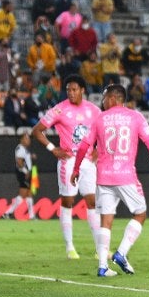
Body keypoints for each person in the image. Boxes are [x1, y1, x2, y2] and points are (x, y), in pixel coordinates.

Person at [71, 84, 149, 277]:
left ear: (114, 98)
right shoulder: (136, 117)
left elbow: (84, 146)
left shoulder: (100, 119)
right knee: (140, 214)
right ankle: (121, 253)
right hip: (126, 176)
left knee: (105, 221)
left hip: (104, 177)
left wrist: (75, 169)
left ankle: (102, 266)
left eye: (105, 97)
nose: (103, 101)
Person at [32, 75, 101, 260]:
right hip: (68, 161)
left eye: (74, 89)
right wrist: (52, 149)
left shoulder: (94, 110)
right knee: (68, 201)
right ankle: (70, 247)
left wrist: (99, 149)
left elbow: (104, 131)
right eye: (68, 89)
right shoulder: (60, 109)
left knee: (93, 202)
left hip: (87, 161)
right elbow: (37, 130)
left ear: (82, 90)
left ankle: (99, 248)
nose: (71, 93)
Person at [2, 133, 36, 220]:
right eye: (26, 139)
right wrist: (25, 171)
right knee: (23, 194)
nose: (28, 141)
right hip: (23, 173)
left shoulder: (24, 149)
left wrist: (31, 157)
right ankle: (7, 212)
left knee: (29, 194)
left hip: (27, 172)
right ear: (21, 140)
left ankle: (32, 216)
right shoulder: (20, 148)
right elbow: (19, 162)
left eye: (29, 139)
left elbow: (24, 159)